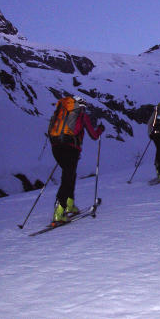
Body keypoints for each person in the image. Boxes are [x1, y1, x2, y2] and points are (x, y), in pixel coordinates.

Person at [48, 95, 104, 223]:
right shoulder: (81, 115)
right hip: (71, 148)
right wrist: (100, 130)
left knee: (69, 175)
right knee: (68, 177)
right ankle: (60, 210)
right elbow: (94, 135)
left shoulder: (60, 113)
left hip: (56, 147)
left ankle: (70, 204)